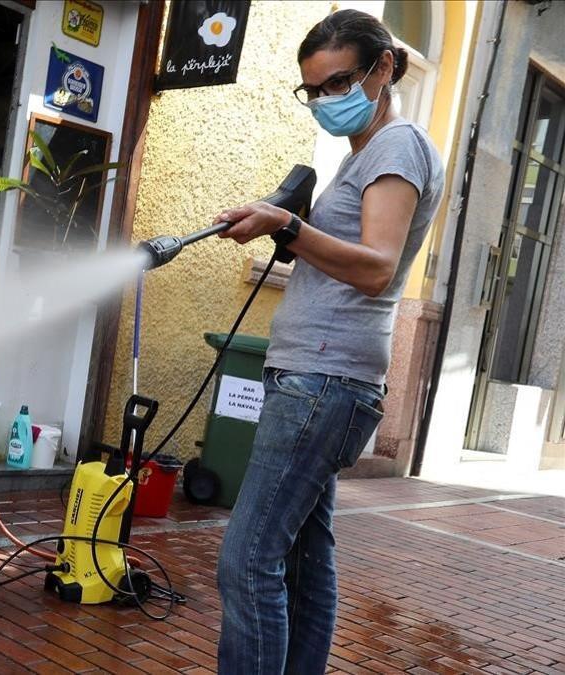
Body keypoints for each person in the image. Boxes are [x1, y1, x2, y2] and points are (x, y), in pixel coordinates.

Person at [212, 9, 445, 674]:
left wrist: (286, 223)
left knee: (247, 559)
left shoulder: (397, 147)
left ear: (385, 67)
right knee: (306, 562)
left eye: (340, 82)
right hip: (319, 378)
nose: (326, 100)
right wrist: (284, 225)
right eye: (314, 90)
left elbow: (375, 267)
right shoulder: (367, 157)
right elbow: (346, 258)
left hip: (324, 381)